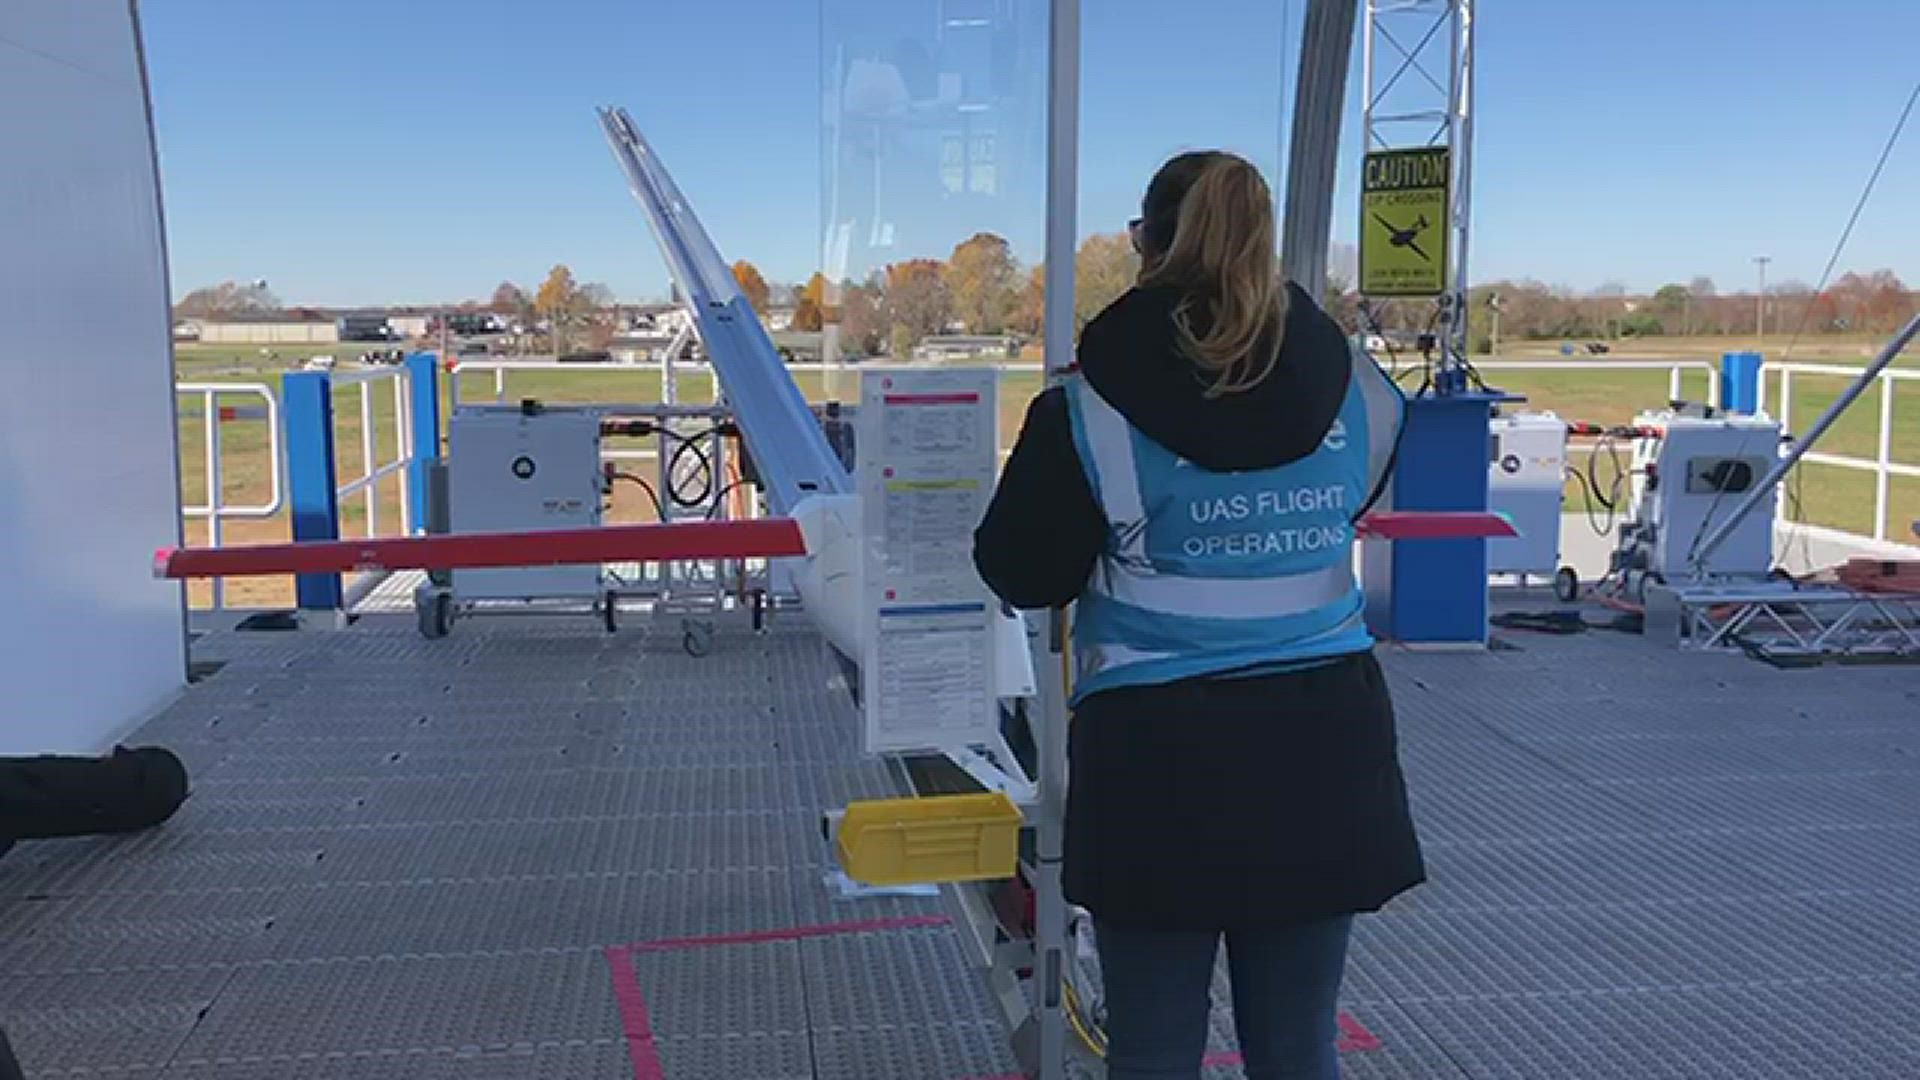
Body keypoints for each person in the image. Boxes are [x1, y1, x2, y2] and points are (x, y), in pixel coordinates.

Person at [972, 150, 1424, 1080]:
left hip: (1160, 760)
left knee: (1154, 1046)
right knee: (1299, 1046)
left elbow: (1020, 570)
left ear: (1149, 246)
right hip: (1324, 744)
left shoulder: (1091, 408)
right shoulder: (1356, 388)